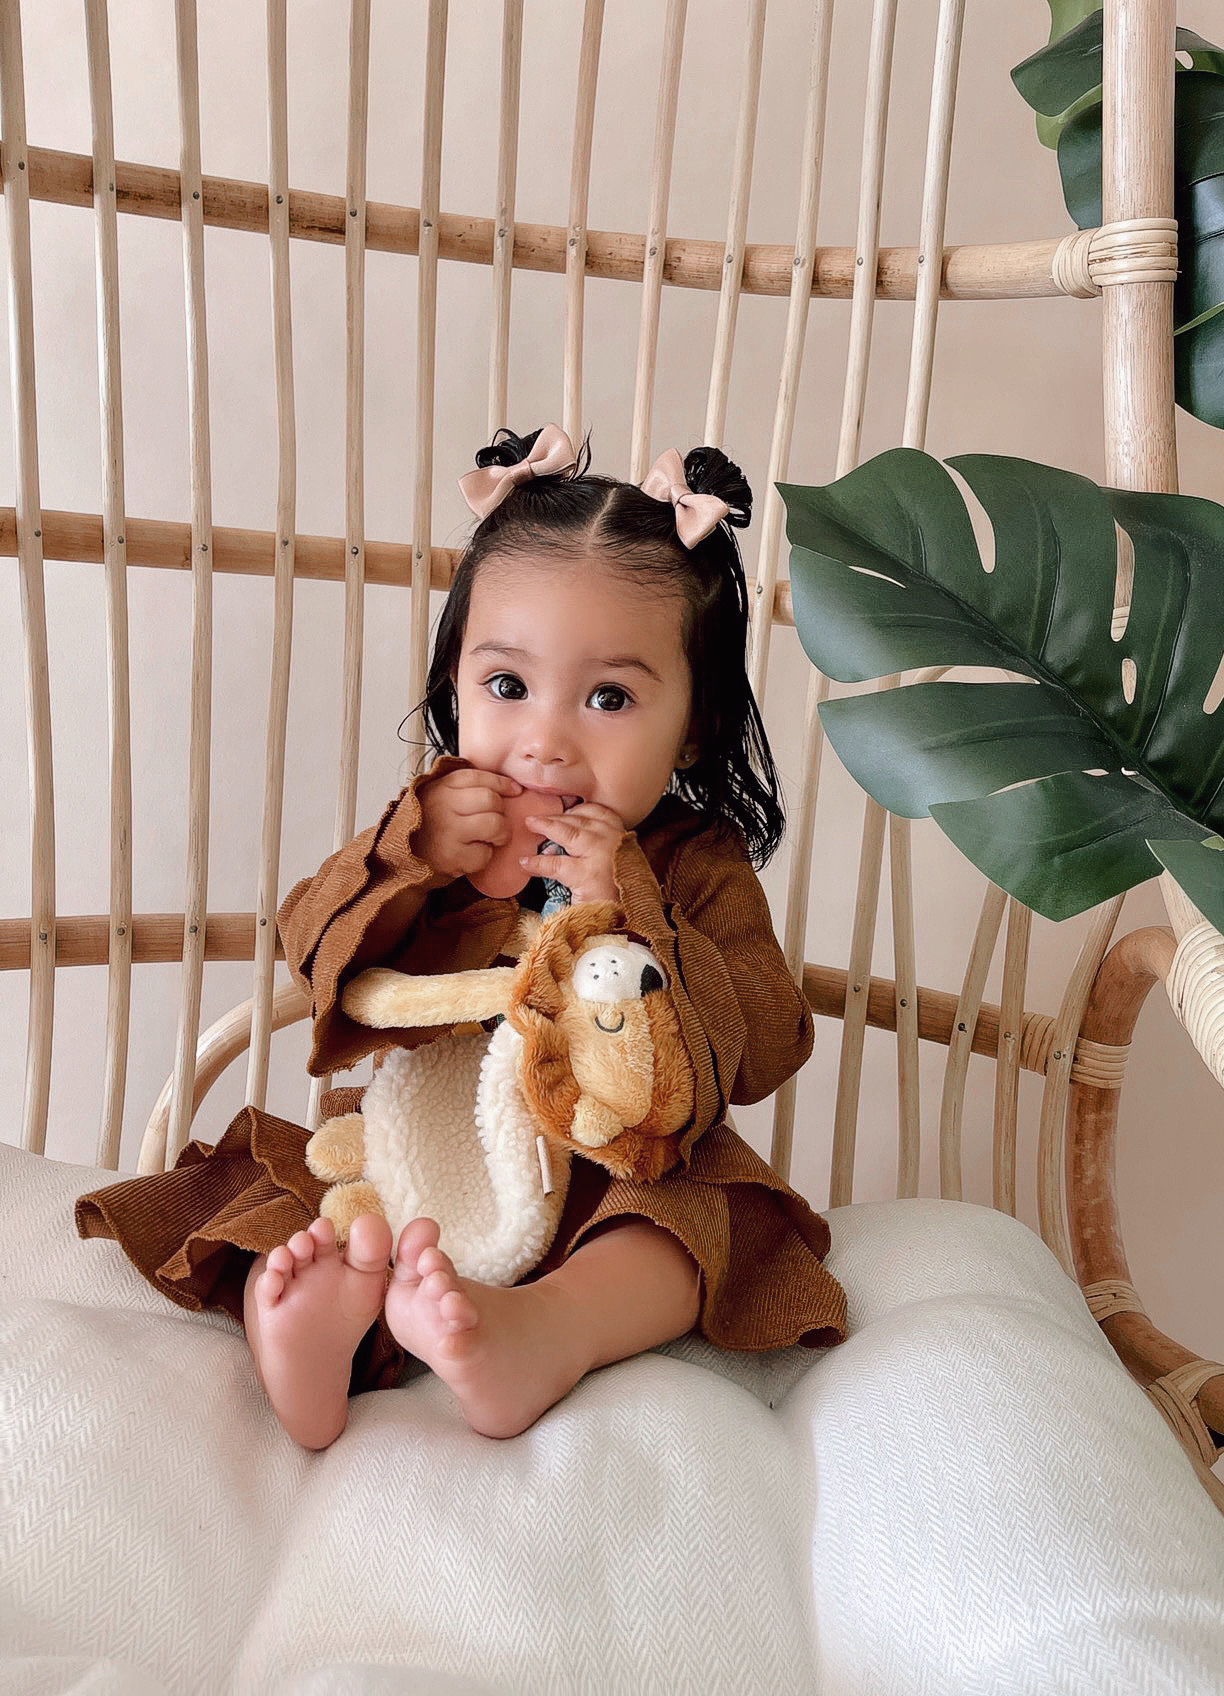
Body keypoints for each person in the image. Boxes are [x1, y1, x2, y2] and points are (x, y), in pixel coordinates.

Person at [77, 423, 848, 1450]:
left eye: (609, 696)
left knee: (707, 1218)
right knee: (300, 1189)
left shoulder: (692, 861)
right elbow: (310, 941)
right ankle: (310, 1321)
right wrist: (413, 856)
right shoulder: (438, 817)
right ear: (455, 684)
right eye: (505, 685)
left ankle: (548, 1327)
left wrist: (634, 908)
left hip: (602, 1175)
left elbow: (768, 1032)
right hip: (423, 1151)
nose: (545, 738)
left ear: (697, 723)